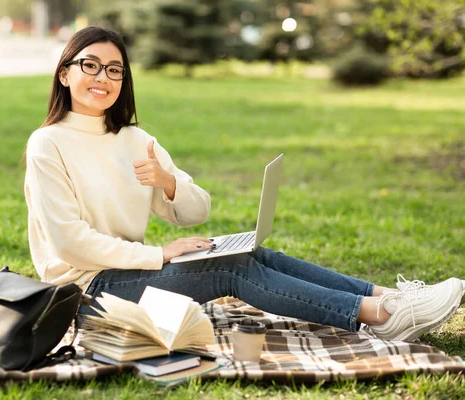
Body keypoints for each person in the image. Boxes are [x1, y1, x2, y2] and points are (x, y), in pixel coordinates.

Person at [23, 26, 463, 342]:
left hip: (133, 271)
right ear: (65, 73)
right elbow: (68, 244)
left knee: (250, 251)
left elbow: (197, 211)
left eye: (115, 70)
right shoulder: (49, 144)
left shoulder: (136, 140)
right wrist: (159, 255)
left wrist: (169, 183)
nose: (103, 78)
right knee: (229, 269)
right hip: (88, 292)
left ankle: (392, 295)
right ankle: (381, 316)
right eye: (91, 66)